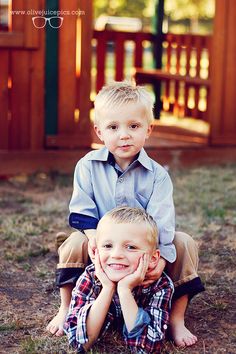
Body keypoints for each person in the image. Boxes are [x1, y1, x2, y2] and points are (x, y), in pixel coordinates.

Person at [47, 81, 205, 347]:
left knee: (183, 242)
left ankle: (177, 319)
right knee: (73, 243)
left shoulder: (157, 176)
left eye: (133, 126)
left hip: (138, 248)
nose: (124, 135)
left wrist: (161, 260)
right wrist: (95, 238)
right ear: (99, 131)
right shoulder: (87, 166)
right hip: (102, 244)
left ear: (148, 130)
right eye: (113, 127)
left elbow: (162, 223)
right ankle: (66, 307)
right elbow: (81, 211)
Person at [64, 206, 174, 353]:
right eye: (108, 245)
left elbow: (149, 347)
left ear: (153, 258)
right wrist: (108, 289)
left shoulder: (161, 286)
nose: (116, 254)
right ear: (96, 252)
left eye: (130, 247)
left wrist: (124, 290)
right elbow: (79, 342)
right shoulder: (91, 277)